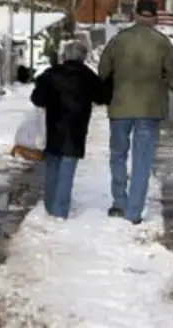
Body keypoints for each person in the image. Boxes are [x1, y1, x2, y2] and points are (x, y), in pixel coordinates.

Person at [98, 0, 173, 225]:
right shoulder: (162, 43)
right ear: (154, 17)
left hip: (120, 107)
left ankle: (119, 201)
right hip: (149, 108)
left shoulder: (119, 40)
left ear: (135, 15)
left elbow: (103, 70)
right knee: (142, 160)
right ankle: (134, 211)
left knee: (118, 155)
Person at [31, 40, 105, 219]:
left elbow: (37, 99)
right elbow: (102, 97)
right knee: (67, 170)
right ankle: (60, 210)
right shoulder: (88, 76)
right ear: (83, 57)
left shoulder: (50, 75)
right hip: (76, 130)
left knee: (52, 166)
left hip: (54, 127)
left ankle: (50, 207)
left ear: (64, 55)